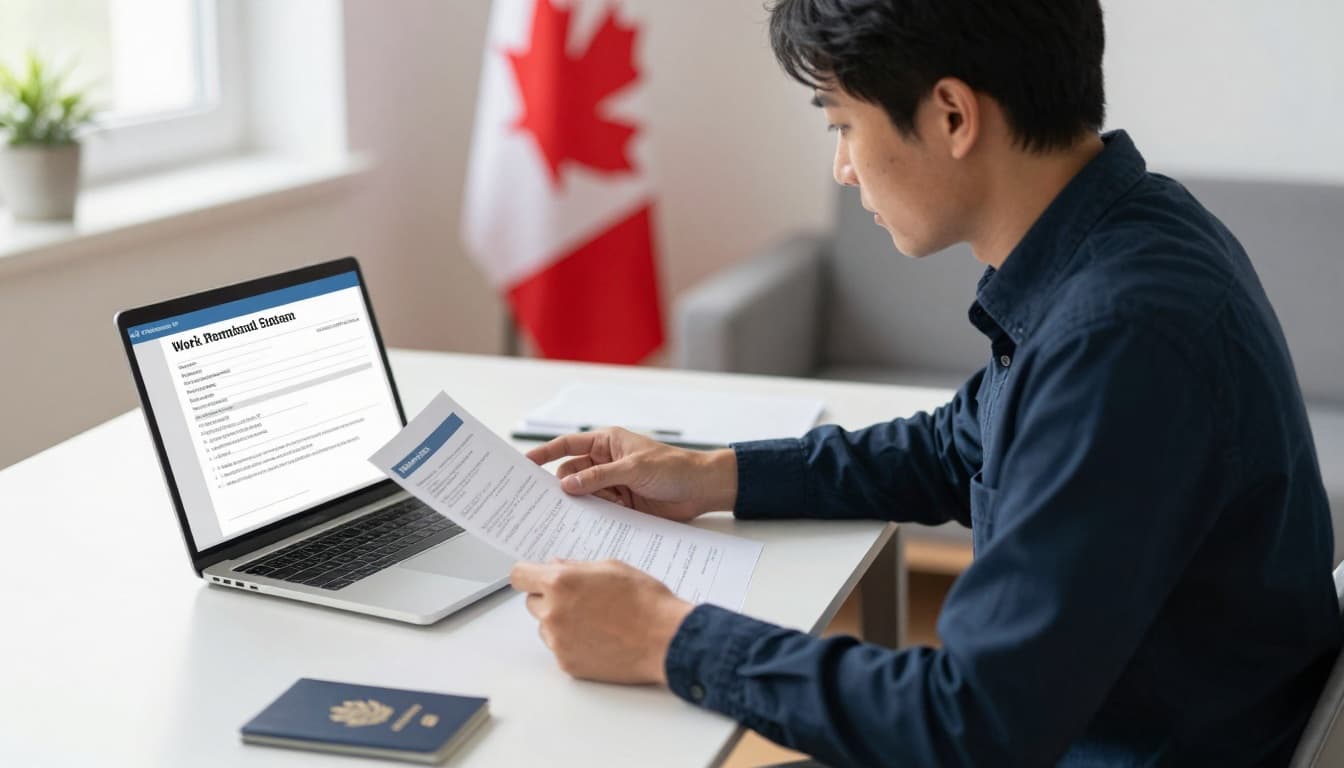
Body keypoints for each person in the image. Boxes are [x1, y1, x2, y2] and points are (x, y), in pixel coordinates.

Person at [508, 0, 1343, 765]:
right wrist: (713, 474)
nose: (842, 167)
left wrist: (665, 637)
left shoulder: (1119, 336)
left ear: (951, 114)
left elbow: (971, 723)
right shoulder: (1130, 233)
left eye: (842, 124)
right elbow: (958, 445)